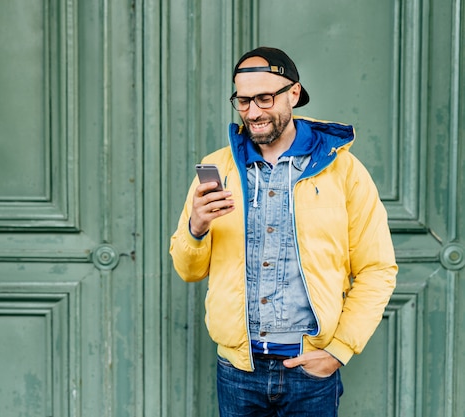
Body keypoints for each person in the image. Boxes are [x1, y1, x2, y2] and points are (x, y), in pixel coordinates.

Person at [169, 46, 398, 416]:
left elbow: (377, 268)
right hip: (238, 372)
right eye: (242, 101)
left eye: (264, 98)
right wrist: (196, 228)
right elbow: (188, 270)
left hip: (310, 371)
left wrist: (338, 352)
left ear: (294, 93)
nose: (253, 112)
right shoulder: (217, 167)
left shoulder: (343, 171)